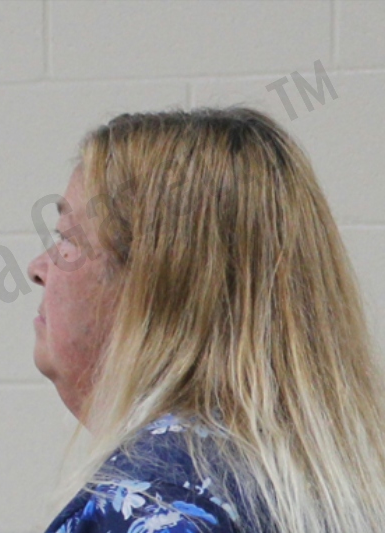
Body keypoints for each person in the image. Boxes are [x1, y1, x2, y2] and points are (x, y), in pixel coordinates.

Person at [28, 107, 385, 533]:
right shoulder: (325, 486)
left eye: (67, 238)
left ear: (157, 284)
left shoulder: (151, 505)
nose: (37, 269)